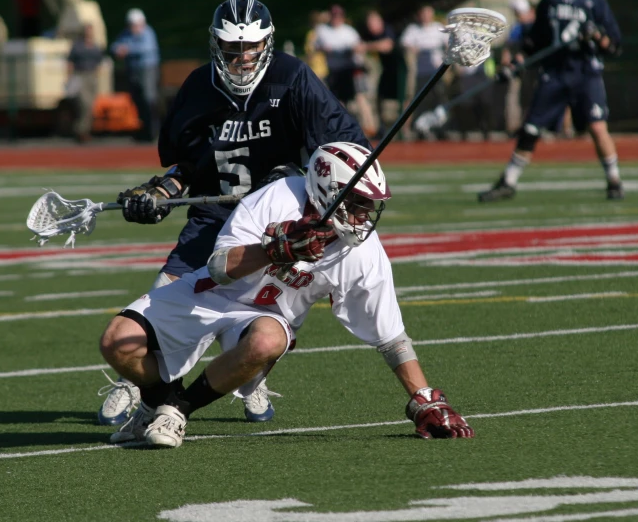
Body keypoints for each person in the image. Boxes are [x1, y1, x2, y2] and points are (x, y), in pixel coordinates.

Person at [96, 0, 370, 427]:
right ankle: (138, 387)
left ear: (267, 44)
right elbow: (186, 166)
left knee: (265, 320)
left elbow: (347, 150)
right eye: (231, 49)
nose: (241, 59)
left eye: (250, 48)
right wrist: (160, 192)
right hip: (211, 219)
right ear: (215, 46)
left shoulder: (292, 78)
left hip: (273, 227)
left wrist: (296, 174)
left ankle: (250, 377)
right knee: (153, 311)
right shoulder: (197, 88)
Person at [99, 141, 475, 447]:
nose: (365, 215)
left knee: (267, 341)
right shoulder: (275, 198)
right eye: (358, 202)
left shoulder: (363, 251)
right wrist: (276, 251)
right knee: (117, 342)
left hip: (265, 315)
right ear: (329, 191)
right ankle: (156, 403)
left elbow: (390, 335)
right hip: (210, 293)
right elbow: (219, 267)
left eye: (369, 205)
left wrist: (423, 398)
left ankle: (176, 411)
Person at [479, 0, 623, 202]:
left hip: (586, 73)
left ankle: (614, 181)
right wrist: (514, 65)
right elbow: (535, 42)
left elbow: (614, 46)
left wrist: (596, 36)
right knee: (531, 128)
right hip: (555, 73)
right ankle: (508, 181)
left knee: (597, 127)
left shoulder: (596, 1)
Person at [314, 5, 377, 137]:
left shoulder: (349, 31)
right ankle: (341, 128)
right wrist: (326, 49)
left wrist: (352, 50)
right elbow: (317, 47)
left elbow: (360, 47)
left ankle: (370, 126)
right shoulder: (323, 31)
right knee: (338, 100)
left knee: (360, 97)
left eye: (339, 16)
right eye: (334, 16)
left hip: (351, 69)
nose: (336, 19)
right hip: (335, 71)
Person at [110, 8, 161, 142]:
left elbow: (147, 48)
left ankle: (153, 131)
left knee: (148, 98)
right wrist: (118, 50)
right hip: (132, 70)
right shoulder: (126, 33)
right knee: (137, 99)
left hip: (147, 69)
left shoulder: (148, 32)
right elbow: (115, 46)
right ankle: (143, 130)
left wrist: (127, 50)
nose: (133, 28)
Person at [400, 5, 449, 140]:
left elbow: (448, 43)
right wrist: (413, 48)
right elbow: (404, 43)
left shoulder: (438, 27)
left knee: (439, 99)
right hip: (421, 73)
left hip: (437, 72)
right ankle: (420, 128)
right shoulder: (414, 29)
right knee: (421, 101)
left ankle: (440, 128)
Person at [360, 10, 401, 139]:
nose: (371, 25)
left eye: (373, 22)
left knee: (395, 104)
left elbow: (386, 45)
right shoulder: (368, 34)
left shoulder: (387, 30)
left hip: (397, 72)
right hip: (382, 74)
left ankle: (398, 131)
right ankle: (380, 130)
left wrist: (368, 46)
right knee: (376, 102)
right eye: (369, 23)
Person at [500, 0, 536, 135]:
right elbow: (508, 47)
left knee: (534, 96)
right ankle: (514, 127)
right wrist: (509, 58)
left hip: (535, 68)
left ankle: (532, 125)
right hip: (519, 69)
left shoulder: (536, 26)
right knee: (514, 97)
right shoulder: (517, 28)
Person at [66, 23, 104, 143]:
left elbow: (99, 62)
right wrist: (70, 77)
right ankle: (81, 130)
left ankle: (83, 130)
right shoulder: (77, 46)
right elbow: (70, 62)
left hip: (91, 76)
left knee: (91, 105)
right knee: (84, 104)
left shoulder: (95, 46)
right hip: (80, 75)